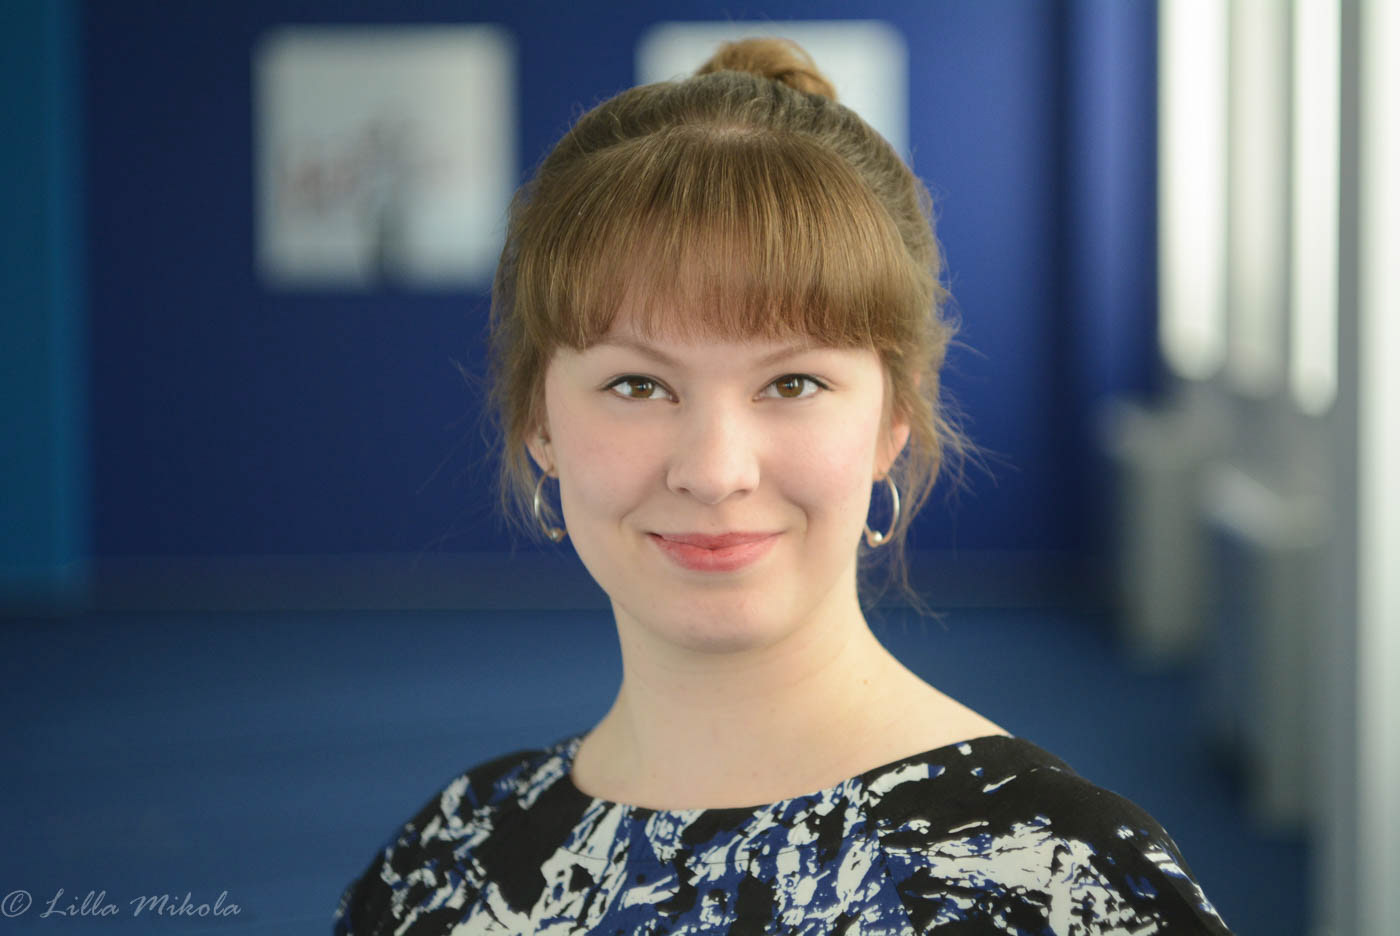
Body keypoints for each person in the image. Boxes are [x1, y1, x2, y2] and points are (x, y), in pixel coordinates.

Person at [333, 38, 1232, 935]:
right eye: (638, 385)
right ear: (540, 421)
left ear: (894, 416)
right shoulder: (444, 865)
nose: (714, 471)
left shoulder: (1060, 880)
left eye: (792, 382)